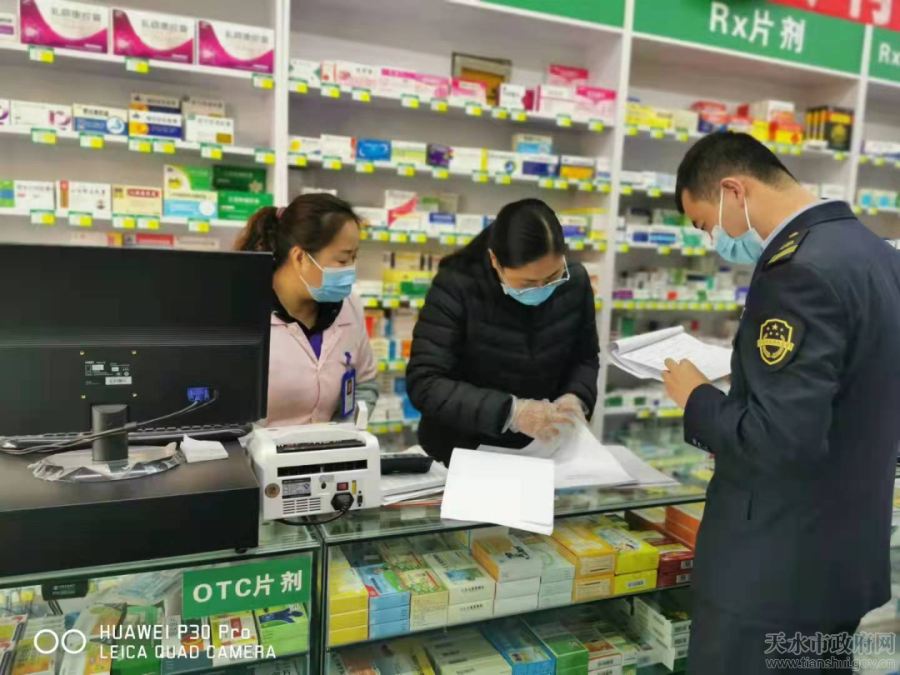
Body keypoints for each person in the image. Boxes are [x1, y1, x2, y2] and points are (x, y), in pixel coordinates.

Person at [664, 131, 900, 675]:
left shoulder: (797, 272)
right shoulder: (873, 251)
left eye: (705, 223)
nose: (713, 239)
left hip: (772, 578)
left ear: (733, 191)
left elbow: (780, 441)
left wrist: (697, 398)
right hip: (842, 564)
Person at [406, 198, 600, 465]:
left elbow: (585, 357)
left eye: (552, 277)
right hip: (463, 452)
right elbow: (426, 383)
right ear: (495, 260)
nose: (541, 289)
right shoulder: (457, 286)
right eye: (528, 283)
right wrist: (512, 412)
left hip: (544, 451)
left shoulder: (575, 282)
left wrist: (576, 397)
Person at [235, 193, 378, 426]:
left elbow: (364, 383)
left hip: (332, 448)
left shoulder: (349, 307)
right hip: (256, 449)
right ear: (301, 257)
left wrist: (342, 434)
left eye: (354, 257)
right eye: (343, 260)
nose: (351, 270)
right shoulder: (240, 312)